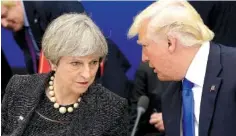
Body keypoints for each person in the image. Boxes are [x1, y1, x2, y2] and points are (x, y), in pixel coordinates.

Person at [2, 13, 128, 136]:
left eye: (93, 62)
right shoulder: (19, 87)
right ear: (53, 62)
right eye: (76, 63)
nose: (87, 74)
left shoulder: (112, 109)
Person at [127, 0, 236, 136]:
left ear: (170, 43)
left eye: (145, 45)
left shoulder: (232, 70)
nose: (144, 58)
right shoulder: (171, 95)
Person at [1, 1, 131, 99]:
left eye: (4, 15)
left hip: (99, 69)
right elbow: (34, 63)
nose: (4, 24)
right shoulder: (18, 31)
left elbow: (84, 34)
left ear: (15, 2)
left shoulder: (51, 3)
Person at [129, 62, 168, 136]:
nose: (144, 58)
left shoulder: (185, 72)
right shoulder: (145, 70)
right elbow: (135, 116)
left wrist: (171, 121)